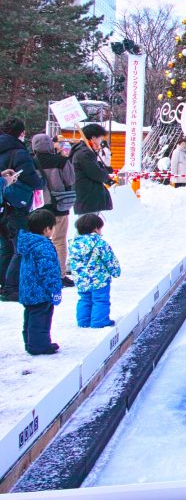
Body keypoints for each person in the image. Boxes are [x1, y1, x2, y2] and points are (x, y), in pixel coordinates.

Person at [1, 118, 47, 301]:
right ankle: (11, 288)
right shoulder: (19, 152)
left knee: (5, 247)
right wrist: (41, 182)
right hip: (16, 205)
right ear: (21, 133)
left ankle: (3, 284)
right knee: (20, 247)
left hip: (2, 204)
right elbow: (30, 177)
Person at [31, 133, 77, 287]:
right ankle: (60, 274)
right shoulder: (61, 160)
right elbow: (70, 180)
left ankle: (40, 274)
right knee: (59, 241)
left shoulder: (31, 162)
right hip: (59, 206)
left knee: (39, 241)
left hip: (38, 207)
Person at [17, 209, 62, 355]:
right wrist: (55, 290)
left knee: (30, 317)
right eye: (52, 227)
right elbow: (48, 272)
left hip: (28, 290)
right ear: (46, 229)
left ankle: (31, 343)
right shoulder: (43, 246)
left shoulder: (28, 243)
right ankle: (39, 346)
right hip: (41, 292)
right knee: (41, 319)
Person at [69, 213, 121, 328]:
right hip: (99, 279)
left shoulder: (74, 244)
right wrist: (116, 271)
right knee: (100, 300)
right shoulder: (100, 243)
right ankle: (99, 321)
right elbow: (109, 259)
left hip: (81, 279)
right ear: (95, 229)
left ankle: (83, 321)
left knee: (84, 299)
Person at [70, 124, 114, 219]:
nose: (101, 142)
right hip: (88, 195)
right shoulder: (84, 153)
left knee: (88, 225)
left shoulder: (85, 151)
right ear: (93, 137)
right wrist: (106, 176)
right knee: (87, 226)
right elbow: (95, 173)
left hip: (88, 195)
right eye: (100, 138)